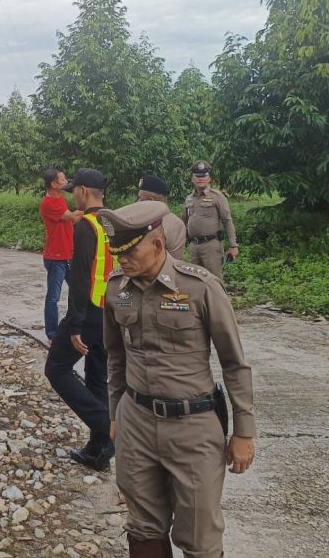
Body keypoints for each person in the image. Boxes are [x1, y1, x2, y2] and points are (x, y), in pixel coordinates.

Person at [99, 200, 255, 558]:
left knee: (199, 534)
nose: (122, 260)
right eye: (117, 252)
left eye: (130, 251)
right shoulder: (117, 288)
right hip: (136, 421)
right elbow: (115, 356)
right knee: (143, 527)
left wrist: (244, 431)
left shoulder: (200, 288)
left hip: (193, 426)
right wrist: (115, 413)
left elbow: (234, 363)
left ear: (157, 245)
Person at [44, 168, 115, 472]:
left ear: (84, 191)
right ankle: (98, 451)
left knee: (56, 369)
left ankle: (108, 429)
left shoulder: (86, 226)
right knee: (97, 377)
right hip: (109, 311)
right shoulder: (111, 222)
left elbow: (81, 278)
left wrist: (74, 324)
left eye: (74, 190)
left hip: (88, 313)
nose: (73, 194)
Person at [40, 167, 82, 341]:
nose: (66, 182)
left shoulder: (60, 198)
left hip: (67, 255)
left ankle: (75, 325)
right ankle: (52, 333)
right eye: (63, 179)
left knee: (78, 290)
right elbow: (73, 217)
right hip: (56, 257)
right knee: (53, 297)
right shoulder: (49, 203)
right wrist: (92, 207)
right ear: (54, 184)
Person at [182, 161, 238, 279]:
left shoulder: (217, 196)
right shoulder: (189, 198)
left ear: (209, 179)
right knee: (194, 280)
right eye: (197, 176)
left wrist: (233, 246)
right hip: (194, 246)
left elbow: (227, 221)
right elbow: (184, 222)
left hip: (211, 246)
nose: (200, 179)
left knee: (214, 280)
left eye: (203, 176)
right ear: (192, 179)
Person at [136, 174, 186, 260]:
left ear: (151, 200)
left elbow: (174, 260)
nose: (138, 203)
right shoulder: (141, 220)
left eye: (140, 199)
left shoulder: (173, 224)